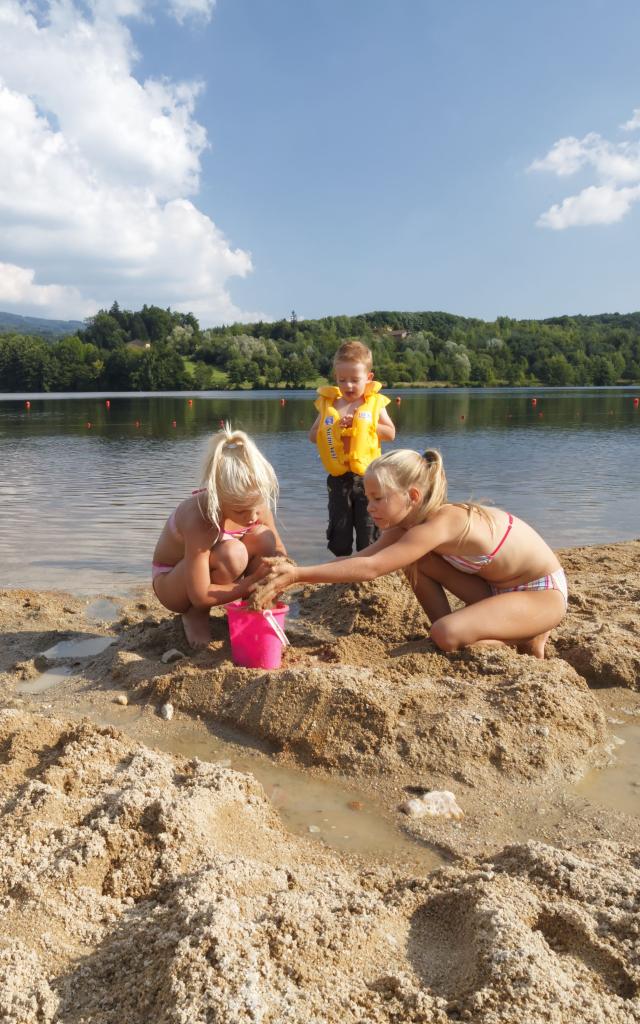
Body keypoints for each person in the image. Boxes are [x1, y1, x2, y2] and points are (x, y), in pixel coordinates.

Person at [258, 448, 567, 660]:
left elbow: (372, 569)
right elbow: (360, 559)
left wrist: (298, 577)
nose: (370, 508)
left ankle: (529, 632)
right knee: (416, 564)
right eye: (367, 498)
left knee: (445, 634)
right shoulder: (406, 526)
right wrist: (297, 569)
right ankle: (456, 630)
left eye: (378, 498)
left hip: (540, 593)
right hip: (497, 591)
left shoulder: (440, 523)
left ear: (413, 496)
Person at [152, 425, 286, 648]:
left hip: (214, 571)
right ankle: (195, 615)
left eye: (256, 507)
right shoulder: (200, 518)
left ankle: (251, 608)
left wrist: (278, 576)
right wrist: (251, 582)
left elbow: (279, 549)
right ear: (218, 498)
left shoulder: (252, 502)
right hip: (175, 584)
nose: (253, 516)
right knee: (233, 554)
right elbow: (201, 593)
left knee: (265, 539)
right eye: (241, 512)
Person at [309, 339, 396, 556]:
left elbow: (391, 433)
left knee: (368, 528)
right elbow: (312, 436)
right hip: (339, 479)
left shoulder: (372, 403)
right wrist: (335, 426)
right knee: (340, 530)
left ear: (368, 378)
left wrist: (363, 424)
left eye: (355, 380)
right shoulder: (331, 405)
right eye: (342, 380)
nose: (348, 385)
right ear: (335, 378)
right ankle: (342, 569)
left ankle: (369, 570)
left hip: (369, 477)